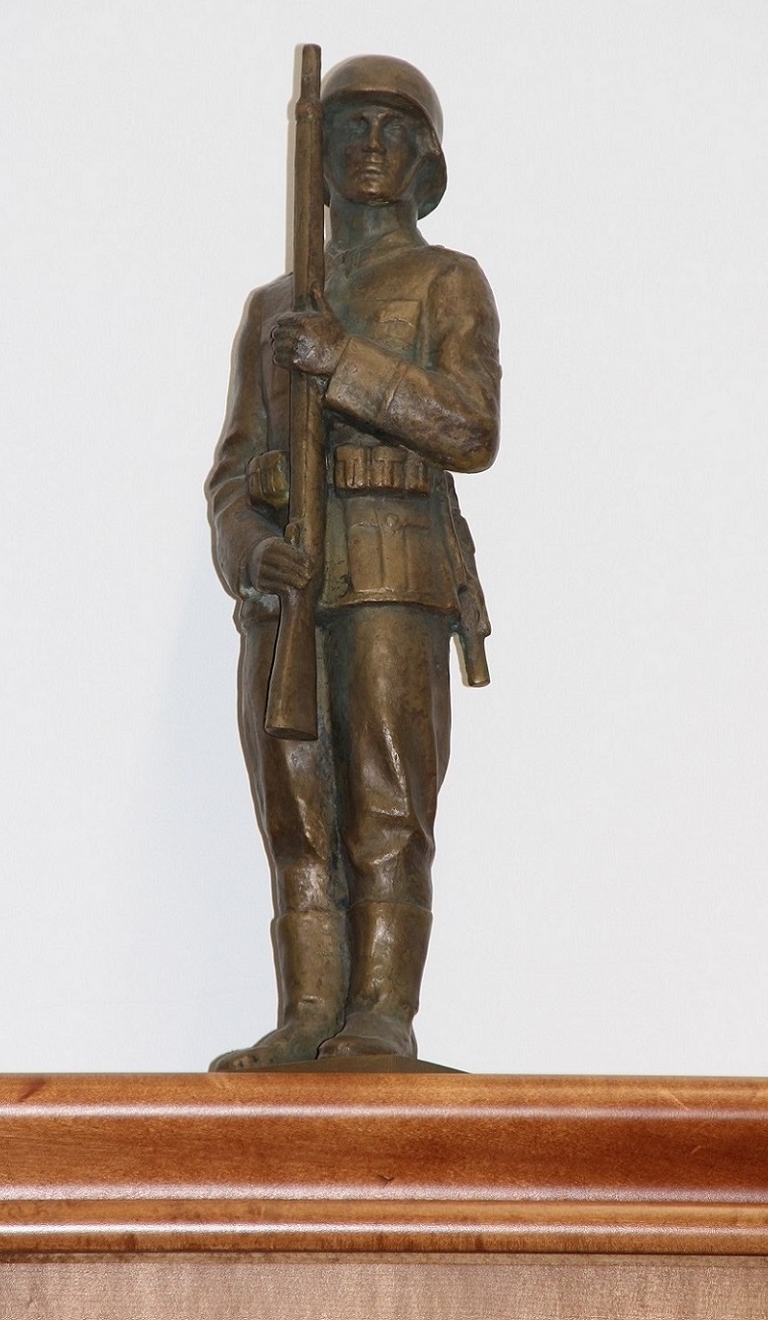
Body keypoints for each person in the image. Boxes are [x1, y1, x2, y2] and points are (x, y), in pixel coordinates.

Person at [206, 55, 500, 1068]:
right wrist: (254, 547)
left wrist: (341, 361)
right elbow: (232, 471)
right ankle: (308, 1011)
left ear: (425, 159)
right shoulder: (273, 304)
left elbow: (468, 426)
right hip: (290, 586)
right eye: (349, 127)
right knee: (296, 811)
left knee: (385, 801)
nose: (370, 146)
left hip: (390, 567)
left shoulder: (445, 281)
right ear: (318, 155)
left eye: (393, 129)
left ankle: (380, 1013)